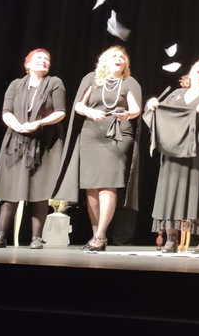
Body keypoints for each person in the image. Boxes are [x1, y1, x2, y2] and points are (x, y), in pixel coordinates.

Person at [54, 46, 142, 252]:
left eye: (122, 57)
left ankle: (101, 234)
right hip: (91, 134)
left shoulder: (129, 82)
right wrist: (91, 112)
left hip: (117, 135)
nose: (119, 59)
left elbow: (136, 109)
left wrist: (127, 114)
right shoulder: (91, 79)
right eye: (114, 56)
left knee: (108, 185)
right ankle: (97, 236)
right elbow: (79, 105)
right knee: (91, 186)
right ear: (104, 61)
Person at [144, 59, 199, 254]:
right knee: (171, 192)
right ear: (189, 74)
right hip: (174, 152)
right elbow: (157, 117)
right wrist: (151, 105)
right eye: (197, 66)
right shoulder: (176, 94)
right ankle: (171, 239)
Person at [0, 49, 66, 249]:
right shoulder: (16, 84)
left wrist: (39, 123)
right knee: (11, 190)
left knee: (40, 191)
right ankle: (0, 236)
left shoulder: (54, 82)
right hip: (17, 142)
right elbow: (6, 112)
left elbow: (60, 112)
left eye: (47, 59)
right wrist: (18, 126)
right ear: (28, 63)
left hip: (45, 143)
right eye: (39, 58)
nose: (44, 61)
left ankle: (36, 238)